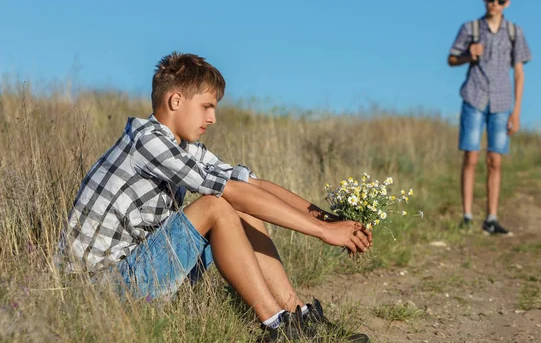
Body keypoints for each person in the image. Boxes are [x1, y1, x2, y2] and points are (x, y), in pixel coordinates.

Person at [57, 52, 371, 342]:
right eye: (207, 106)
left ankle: (297, 316)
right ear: (176, 100)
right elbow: (228, 192)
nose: (213, 118)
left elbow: (251, 185)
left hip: (142, 270)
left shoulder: (184, 147)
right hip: (98, 290)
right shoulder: (147, 142)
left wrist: (328, 220)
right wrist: (323, 233)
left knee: (237, 199)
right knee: (216, 204)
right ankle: (276, 326)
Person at [447, 0, 532, 235]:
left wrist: (516, 111)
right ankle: (467, 216)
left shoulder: (514, 32)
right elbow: (451, 59)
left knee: (495, 159)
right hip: (474, 97)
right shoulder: (470, 28)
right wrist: (467, 55)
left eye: (500, 0)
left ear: (508, 3)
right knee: (470, 157)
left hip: (502, 102)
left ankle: (491, 219)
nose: (495, 4)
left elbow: (519, 74)